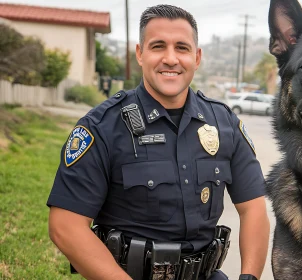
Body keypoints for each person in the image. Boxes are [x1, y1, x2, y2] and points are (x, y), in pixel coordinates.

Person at [47, 4, 270, 280]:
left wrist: (249, 277)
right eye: (158, 46)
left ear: (197, 57)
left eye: (182, 48)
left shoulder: (224, 123)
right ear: (140, 54)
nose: (171, 59)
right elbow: (65, 226)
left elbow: (253, 209)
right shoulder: (102, 127)